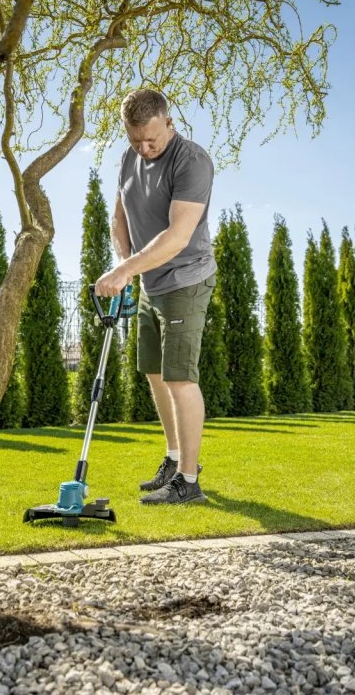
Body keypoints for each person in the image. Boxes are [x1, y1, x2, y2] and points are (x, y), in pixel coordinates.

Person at [94, 88, 216, 505]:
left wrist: (125, 270)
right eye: (136, 141)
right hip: (150, 282)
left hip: (185, 279)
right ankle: (174, 458)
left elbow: (178, 236)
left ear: (169, 122)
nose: (144, 150)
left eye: (152, 140)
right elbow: (119, 216)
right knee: (155, 373)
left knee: (180, 377)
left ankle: (189, 482)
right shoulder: (128, 159)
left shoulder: (192, 161)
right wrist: (125, 263)